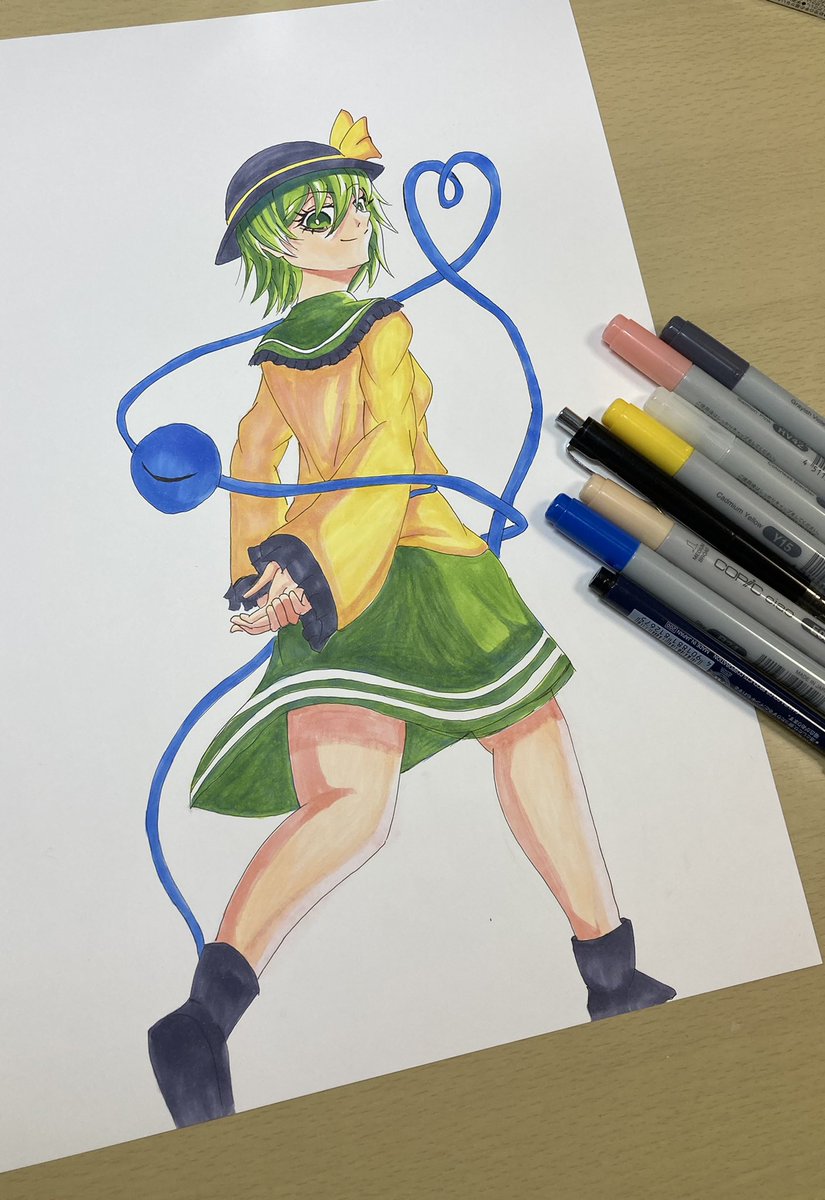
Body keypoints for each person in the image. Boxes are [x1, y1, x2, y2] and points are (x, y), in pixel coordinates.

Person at [148, 110, 675, 1129]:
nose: (348, 224)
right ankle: (611, 978)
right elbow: (384, 452)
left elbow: (252, 462)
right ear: (274, 241)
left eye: (352, 204)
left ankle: (202, 1017)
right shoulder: (381, 327)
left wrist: (265, 574)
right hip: (413, 561)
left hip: (326, 578)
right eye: (317, 214)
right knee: (528, 733)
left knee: (351, 804)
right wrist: (294, 572)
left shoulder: (274, 356)